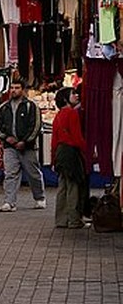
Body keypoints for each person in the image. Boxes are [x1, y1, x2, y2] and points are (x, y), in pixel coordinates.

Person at [0, 80, 46, 212]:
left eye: (17, 88)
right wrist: (6, 138)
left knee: (33, 174)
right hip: (9, 147)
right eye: (11, 88)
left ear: (23, 90)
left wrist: (26, 141)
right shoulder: (4, 107)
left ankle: (40, 198)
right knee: (10, 174)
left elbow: (36, 126)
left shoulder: (31, 106)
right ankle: (9, 202)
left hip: (27, 147)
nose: (13, 90)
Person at [51, 86, 88, 228]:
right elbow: (77, 136)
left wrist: (54, 158)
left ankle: (61, 219)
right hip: (71, 152)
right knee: (73, 186)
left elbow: (54, 140)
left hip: (60, 152)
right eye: (73, 94)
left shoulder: (59, 115)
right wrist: (87, 151)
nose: (76, 95)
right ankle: (74, 219)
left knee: (63, 186)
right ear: (66, 98)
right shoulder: (72, 114)